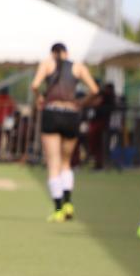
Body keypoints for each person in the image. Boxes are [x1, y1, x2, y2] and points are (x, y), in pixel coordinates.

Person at [30, 42, 99, 222]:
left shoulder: (47, 64)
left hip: (52, 112)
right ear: (66, 53)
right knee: (66, 162)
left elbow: (35, 85)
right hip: (71, 114)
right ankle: (68, 202)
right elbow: (95, 90)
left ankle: (58, 208)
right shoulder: (78, 67)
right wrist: (81, 103)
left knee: (53, 162)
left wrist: (40, 99)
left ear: (52, 53)